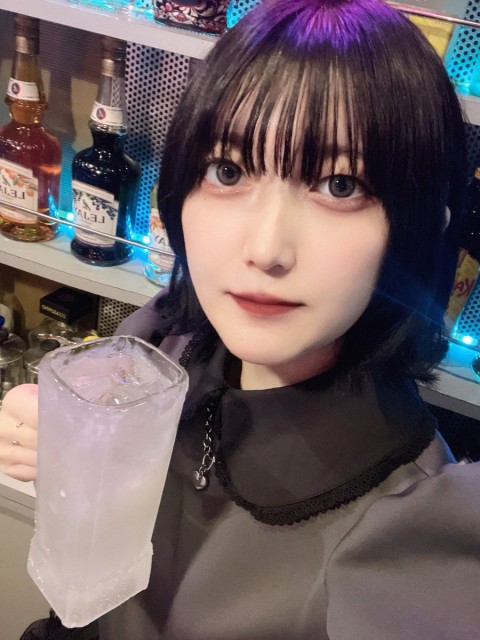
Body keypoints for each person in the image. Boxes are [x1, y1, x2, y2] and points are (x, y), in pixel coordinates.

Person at [2, 0, 480, 637]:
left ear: (420, 227)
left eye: (340, 186)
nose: (265, 249)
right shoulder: (161, 344)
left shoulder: (410, 540)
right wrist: (65, 445)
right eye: (227, 171)